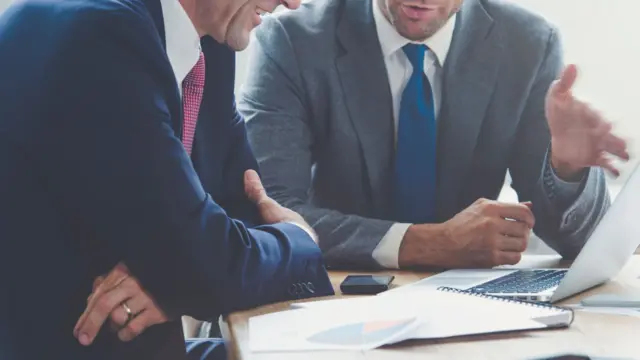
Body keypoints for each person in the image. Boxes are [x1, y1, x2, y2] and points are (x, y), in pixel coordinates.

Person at [0, 0, 334, 358]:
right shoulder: (99, 35)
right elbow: (203, 260)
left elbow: (242, 210)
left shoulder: (206, 44)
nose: (293, 3)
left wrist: (178, 278)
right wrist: (300, 239)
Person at [239, 0, 629, 270]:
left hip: (465, 308)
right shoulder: (292, 41)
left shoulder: (529, 44)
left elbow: (579, 247)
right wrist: (427, 243)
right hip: (333, 293)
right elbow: (269, 212)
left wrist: (566, 169)